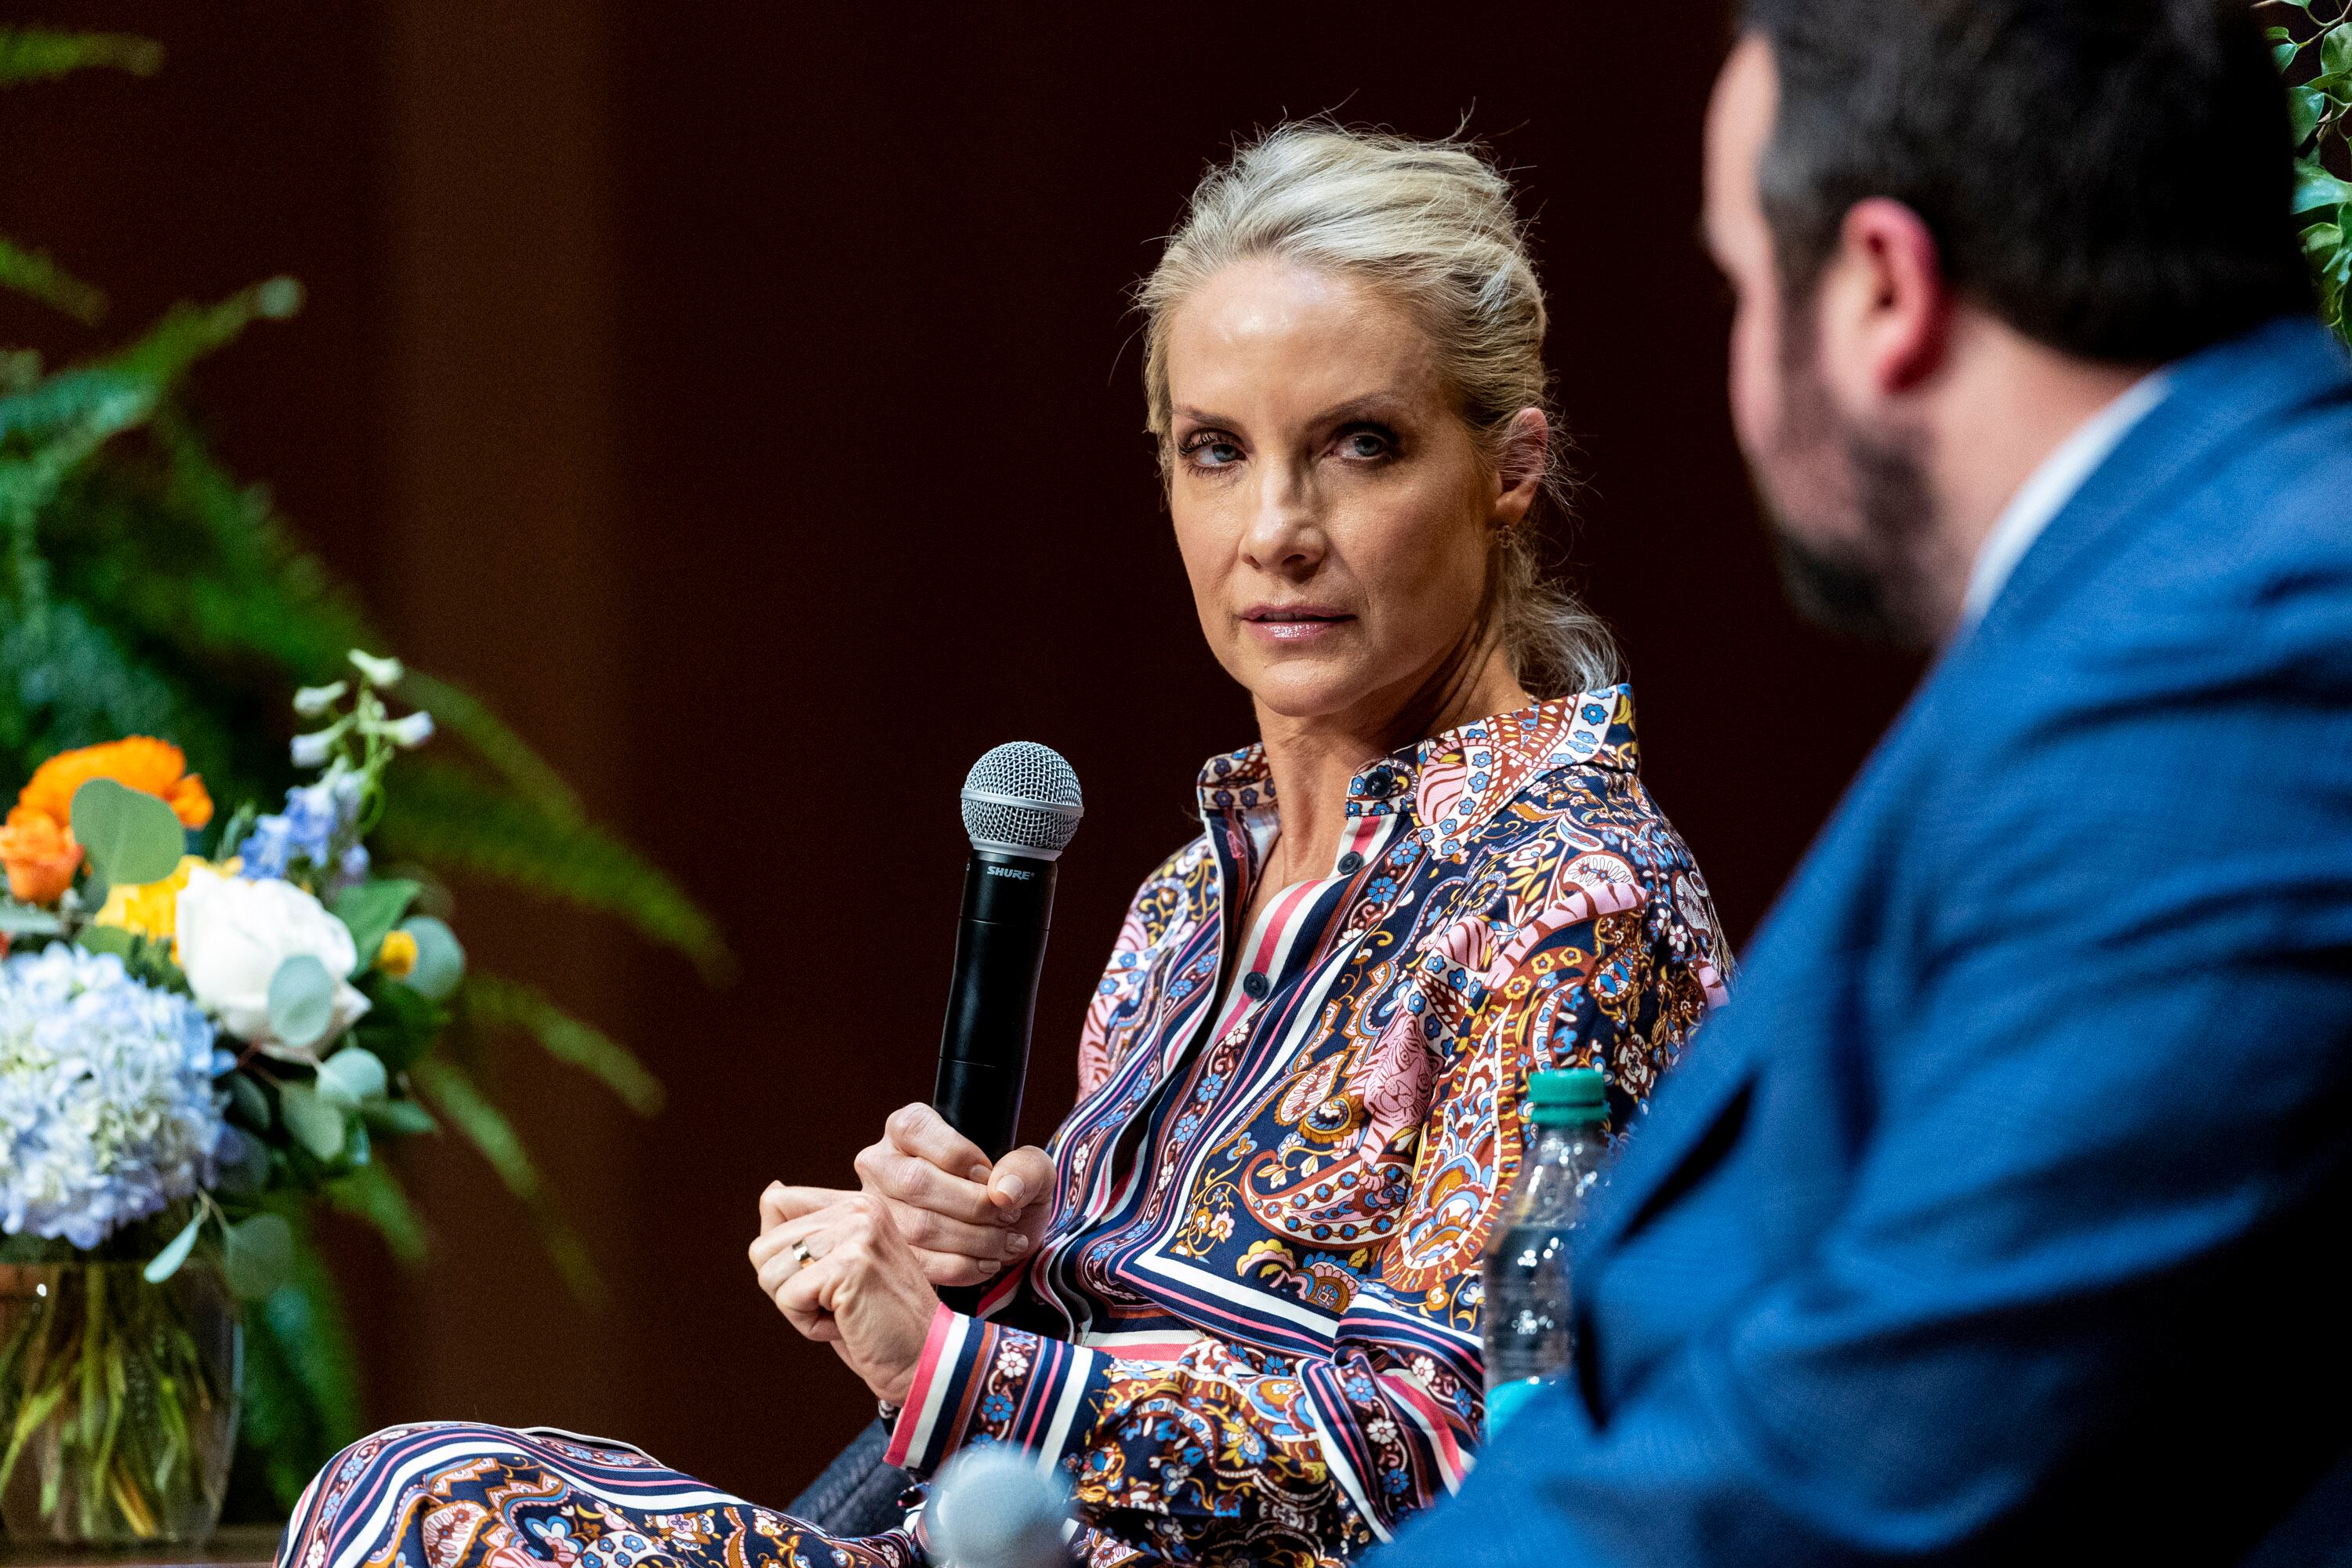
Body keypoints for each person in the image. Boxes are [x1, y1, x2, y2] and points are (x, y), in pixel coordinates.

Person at [276, 127, 1730, 1568]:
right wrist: (980, 1276)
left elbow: (1464, 1454)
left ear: (1512, 466)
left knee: (424, 1523)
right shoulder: (1186, 902)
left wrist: (957, 1369)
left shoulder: (1577, 895)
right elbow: (1110, 1380)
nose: (1278, 530)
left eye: (1361, 446)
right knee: (406, 1494)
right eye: (1217, 452)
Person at [1379, 2, 2352, 1564]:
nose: (1741, 375)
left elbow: (1855, 1460)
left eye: (1744, 285)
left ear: (1884, 290)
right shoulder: (2167, 595)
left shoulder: (2239, 654)